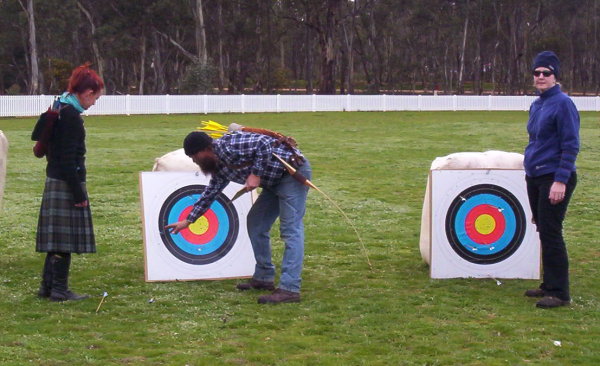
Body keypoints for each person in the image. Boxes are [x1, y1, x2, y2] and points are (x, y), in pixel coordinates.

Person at [166, 130, 311, 304]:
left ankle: (290, 288)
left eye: (194, 156)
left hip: (291, 175)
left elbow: (264, 144)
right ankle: (264, 277)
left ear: (204, 149)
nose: (194, 161)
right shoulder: (218, 167)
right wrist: (188, 220)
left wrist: (255, 174)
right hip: (273, 182)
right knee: (256, 223)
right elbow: (211, 193)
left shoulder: (229, 146)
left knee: (290, 230)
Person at [35, 63, 104, 302]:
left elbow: (39, 139)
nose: (94, 102)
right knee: (63, 239)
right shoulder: (72, 117)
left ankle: (47, 287)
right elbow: (68, 159)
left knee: (56, 237)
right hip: (66, 181)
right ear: (87, 93)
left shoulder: (58, 107)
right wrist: (78, 194)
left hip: (54, 178)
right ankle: (59, 290)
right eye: (95, 97)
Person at [523, 51, 579, 309]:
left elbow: (570, 145)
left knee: (552, 233)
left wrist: (561, 180)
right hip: (535, 176)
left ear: (556, 76)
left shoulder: (563, 103)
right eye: (537, 73)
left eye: (547, 73)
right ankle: (548, 284)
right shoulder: (538, 104)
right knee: (543, 230)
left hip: (554, 177)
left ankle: (559, 293)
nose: (541, 77)